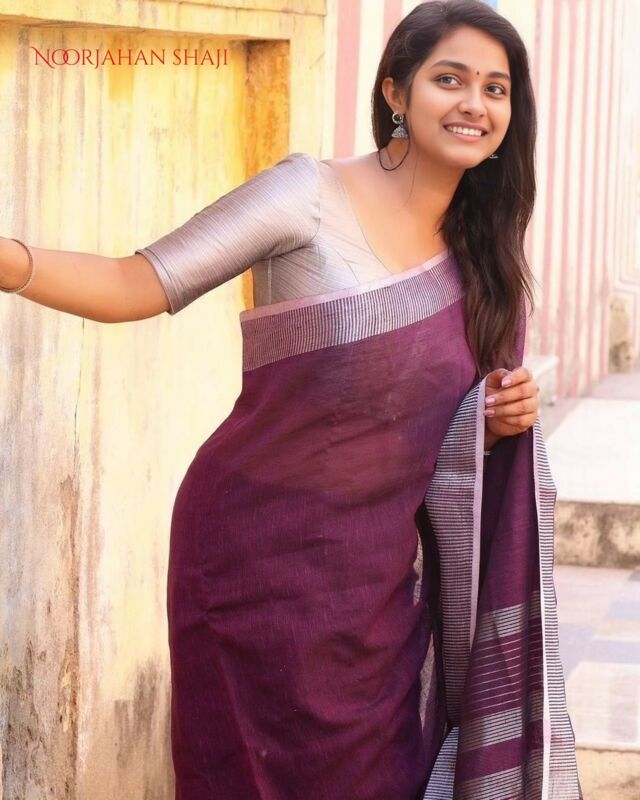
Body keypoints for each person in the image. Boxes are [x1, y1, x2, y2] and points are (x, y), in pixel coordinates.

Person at [1, 1, 584, 798]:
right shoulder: (306, 195)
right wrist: (9, 260)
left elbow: (428, 422)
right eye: (449, 79)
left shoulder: (486, 256)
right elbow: (136, 282)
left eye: (496, 88)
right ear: (395, 92)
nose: (474, 104)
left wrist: (489, 420)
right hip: (253, 561)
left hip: (379, 587)